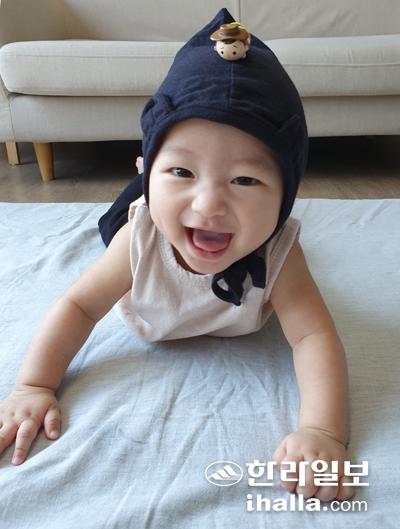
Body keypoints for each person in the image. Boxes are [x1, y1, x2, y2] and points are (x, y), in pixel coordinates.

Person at [0, 9, 353, 502]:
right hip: (150, 219)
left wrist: (322, 431)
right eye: (183, 171)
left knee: (195, 209)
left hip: (201, 211)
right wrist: (34, 385)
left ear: (286, 196)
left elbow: (314, 336)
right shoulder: (139, 238)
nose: (209, 205)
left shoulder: (280, 252)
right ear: (148, 169)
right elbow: (79, 305)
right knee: (132, 219)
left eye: (245, 180)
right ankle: (149, 186)